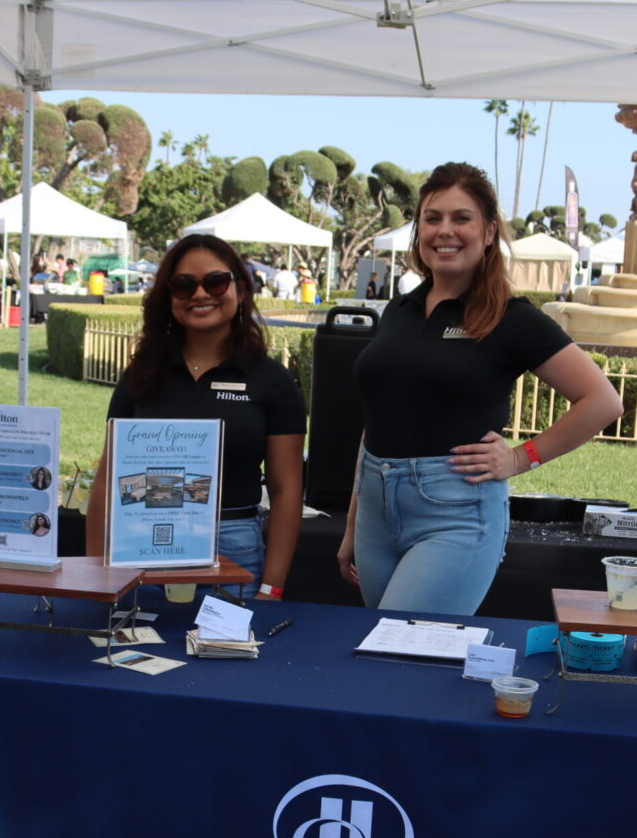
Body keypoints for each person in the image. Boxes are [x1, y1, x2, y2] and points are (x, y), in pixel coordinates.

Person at [338, 161, 623, 616]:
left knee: (399, 647)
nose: (444, 231)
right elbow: (377, 418)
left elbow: (604, 401)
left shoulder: (511, 318)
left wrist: (519, 457)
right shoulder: (401, 310)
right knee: (392, 662)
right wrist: (354, 523)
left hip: (454, 512)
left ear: (489, 232)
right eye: (432, 218)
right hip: (375, 506)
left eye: (461, 218)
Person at [86, 234, 306, 600]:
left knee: (224, 658)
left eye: (215, 281)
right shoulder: (141, 376)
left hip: (232, 549)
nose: (201, 294)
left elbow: (286, 491)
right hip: (139, 544)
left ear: (239, 287)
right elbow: (108, 481)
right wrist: (95, 574)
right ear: (168, 296)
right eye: (184, 285)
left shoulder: (272, 382)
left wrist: (272, 585)